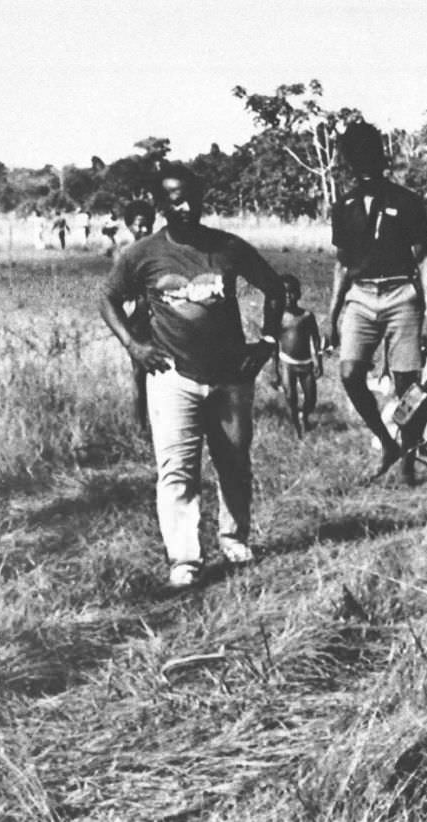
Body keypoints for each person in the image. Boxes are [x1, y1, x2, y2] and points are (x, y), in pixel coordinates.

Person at [100, 164, 286, 588]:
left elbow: (274, 288)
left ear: (202, 200)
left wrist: (268, 343)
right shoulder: (142, 254)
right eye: (173, 199)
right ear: (160, 205)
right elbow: (108, 298)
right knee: (177, 470)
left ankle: (235, 539)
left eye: (190, 197)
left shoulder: (228, 247)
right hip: (171, 376)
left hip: (231, 377)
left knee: (234, 461)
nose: (184, 206)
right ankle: (185, 559)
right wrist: (134, 345)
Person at [328, 122, 427, 484]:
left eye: (368, 157)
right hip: (360, 297)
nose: (363, 167)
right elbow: (342, 264)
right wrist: (332, 315)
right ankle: (387, 442)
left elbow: (423, 259)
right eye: (356, 160)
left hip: (401, 295)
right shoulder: (343, 206)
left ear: (381, 158)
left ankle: (408, 459)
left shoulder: (406, 202)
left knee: (409, 385)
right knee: (350, 375)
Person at [119, 201, 156, 428]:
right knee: (140, 373)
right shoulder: (126, 256)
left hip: (162, 319)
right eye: (139, 225)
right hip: (138, 320)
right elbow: (118, 293)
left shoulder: (159, 250)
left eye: (148, 225)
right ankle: (141, 424)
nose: (144, 230)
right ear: (129, 226)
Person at [274, 274, 323, 437]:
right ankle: (296, 428)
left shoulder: (307, 316)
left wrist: (319, 362)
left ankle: (305, 416)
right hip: (287, 363)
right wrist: (275, 369)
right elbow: (274, 344)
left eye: (292, 292)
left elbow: (316, 340)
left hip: (306, 363)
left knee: (311, 398)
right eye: (284, 293)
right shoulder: (278, 316)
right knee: (291, 397)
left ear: (299, 294)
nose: (288, 296)